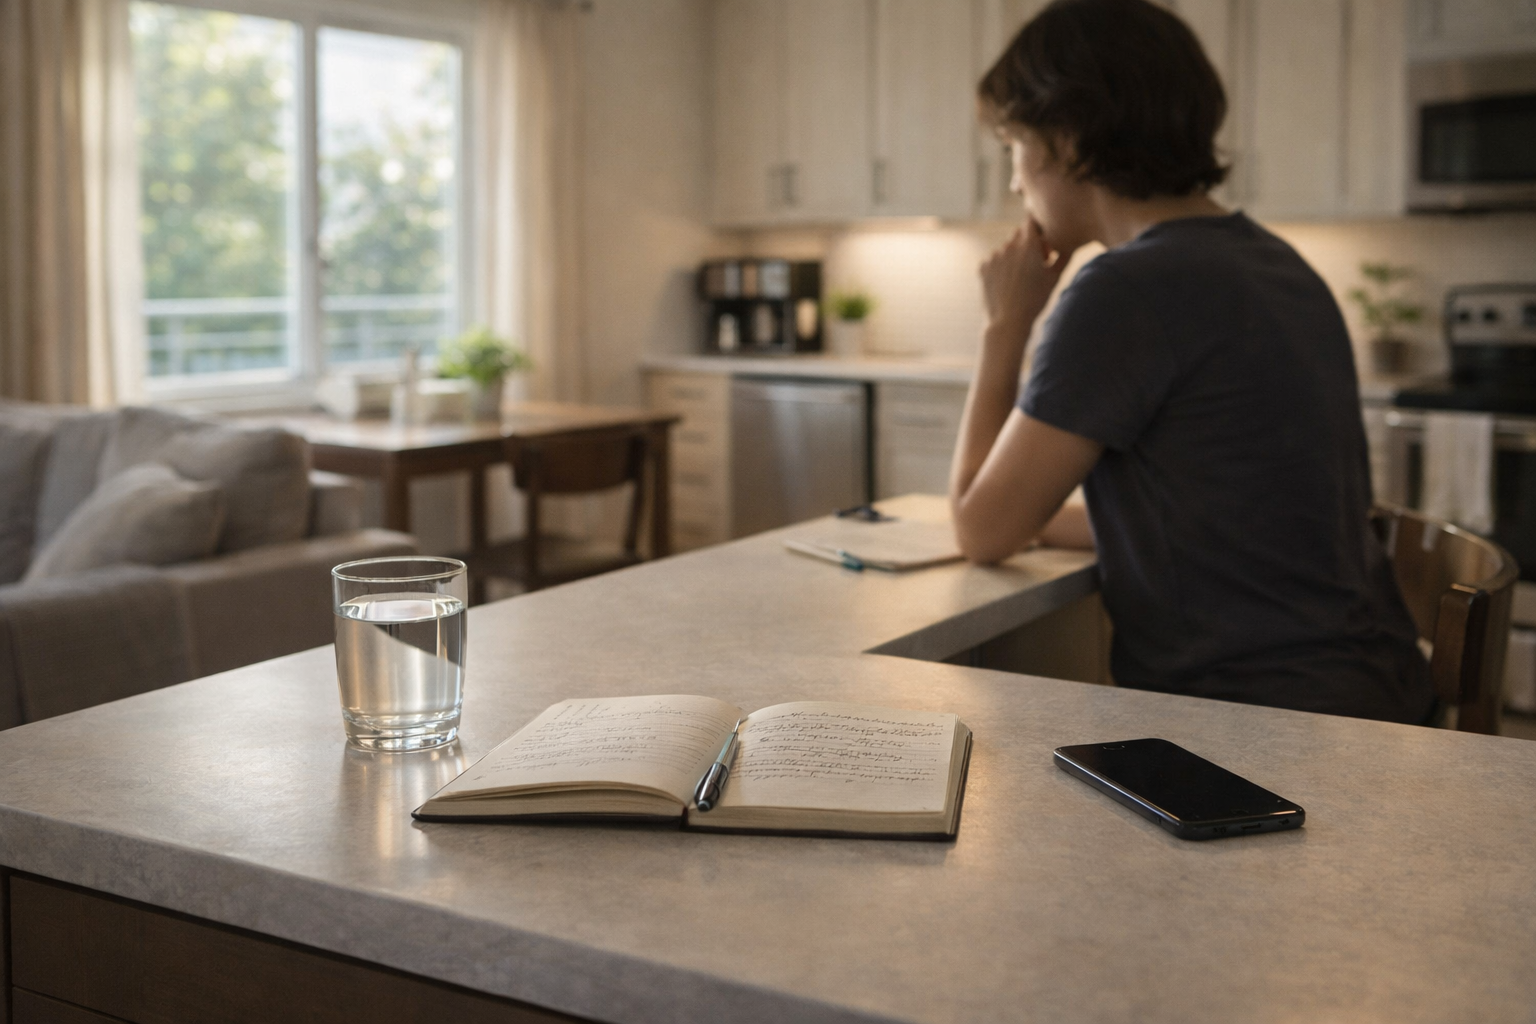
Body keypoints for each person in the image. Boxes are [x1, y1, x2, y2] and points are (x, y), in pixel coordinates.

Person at [951, 0, 1432, 723]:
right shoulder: (1278, 263)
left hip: (1253, 722)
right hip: (1373, 689)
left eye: (1013, 144)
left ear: (1067, 139)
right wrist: (1042, 516)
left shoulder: (1122, 291)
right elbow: (1231, 516)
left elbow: (979, 531)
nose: (1015, 181)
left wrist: (1004, 328)